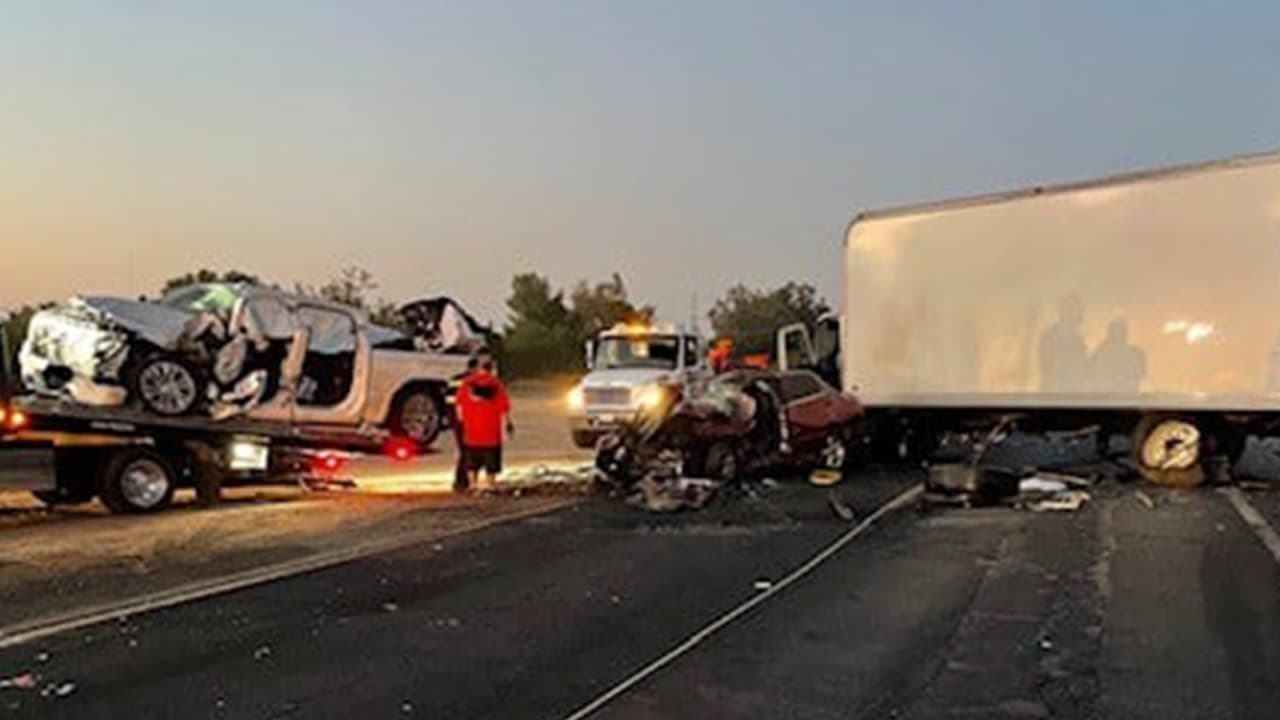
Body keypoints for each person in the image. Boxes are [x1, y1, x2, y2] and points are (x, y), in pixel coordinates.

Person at [456, 357, 513, 491]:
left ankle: (472, 484)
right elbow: (504, 407)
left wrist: (462, 420)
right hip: (491, 432)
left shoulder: (467, 384)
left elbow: (458, 406)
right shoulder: (496, 384)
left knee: (472, 459)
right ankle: (491, 484)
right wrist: (509, 424)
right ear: (492, 369)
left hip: (472, 431)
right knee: (491, 460)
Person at [449, 356, 480, 493]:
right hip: (464, 419)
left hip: (457, 418)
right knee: (467, 449)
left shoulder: (456, 379)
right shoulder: (472, 382)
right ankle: (462, 482)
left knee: (465, 449)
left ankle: (463, 481)